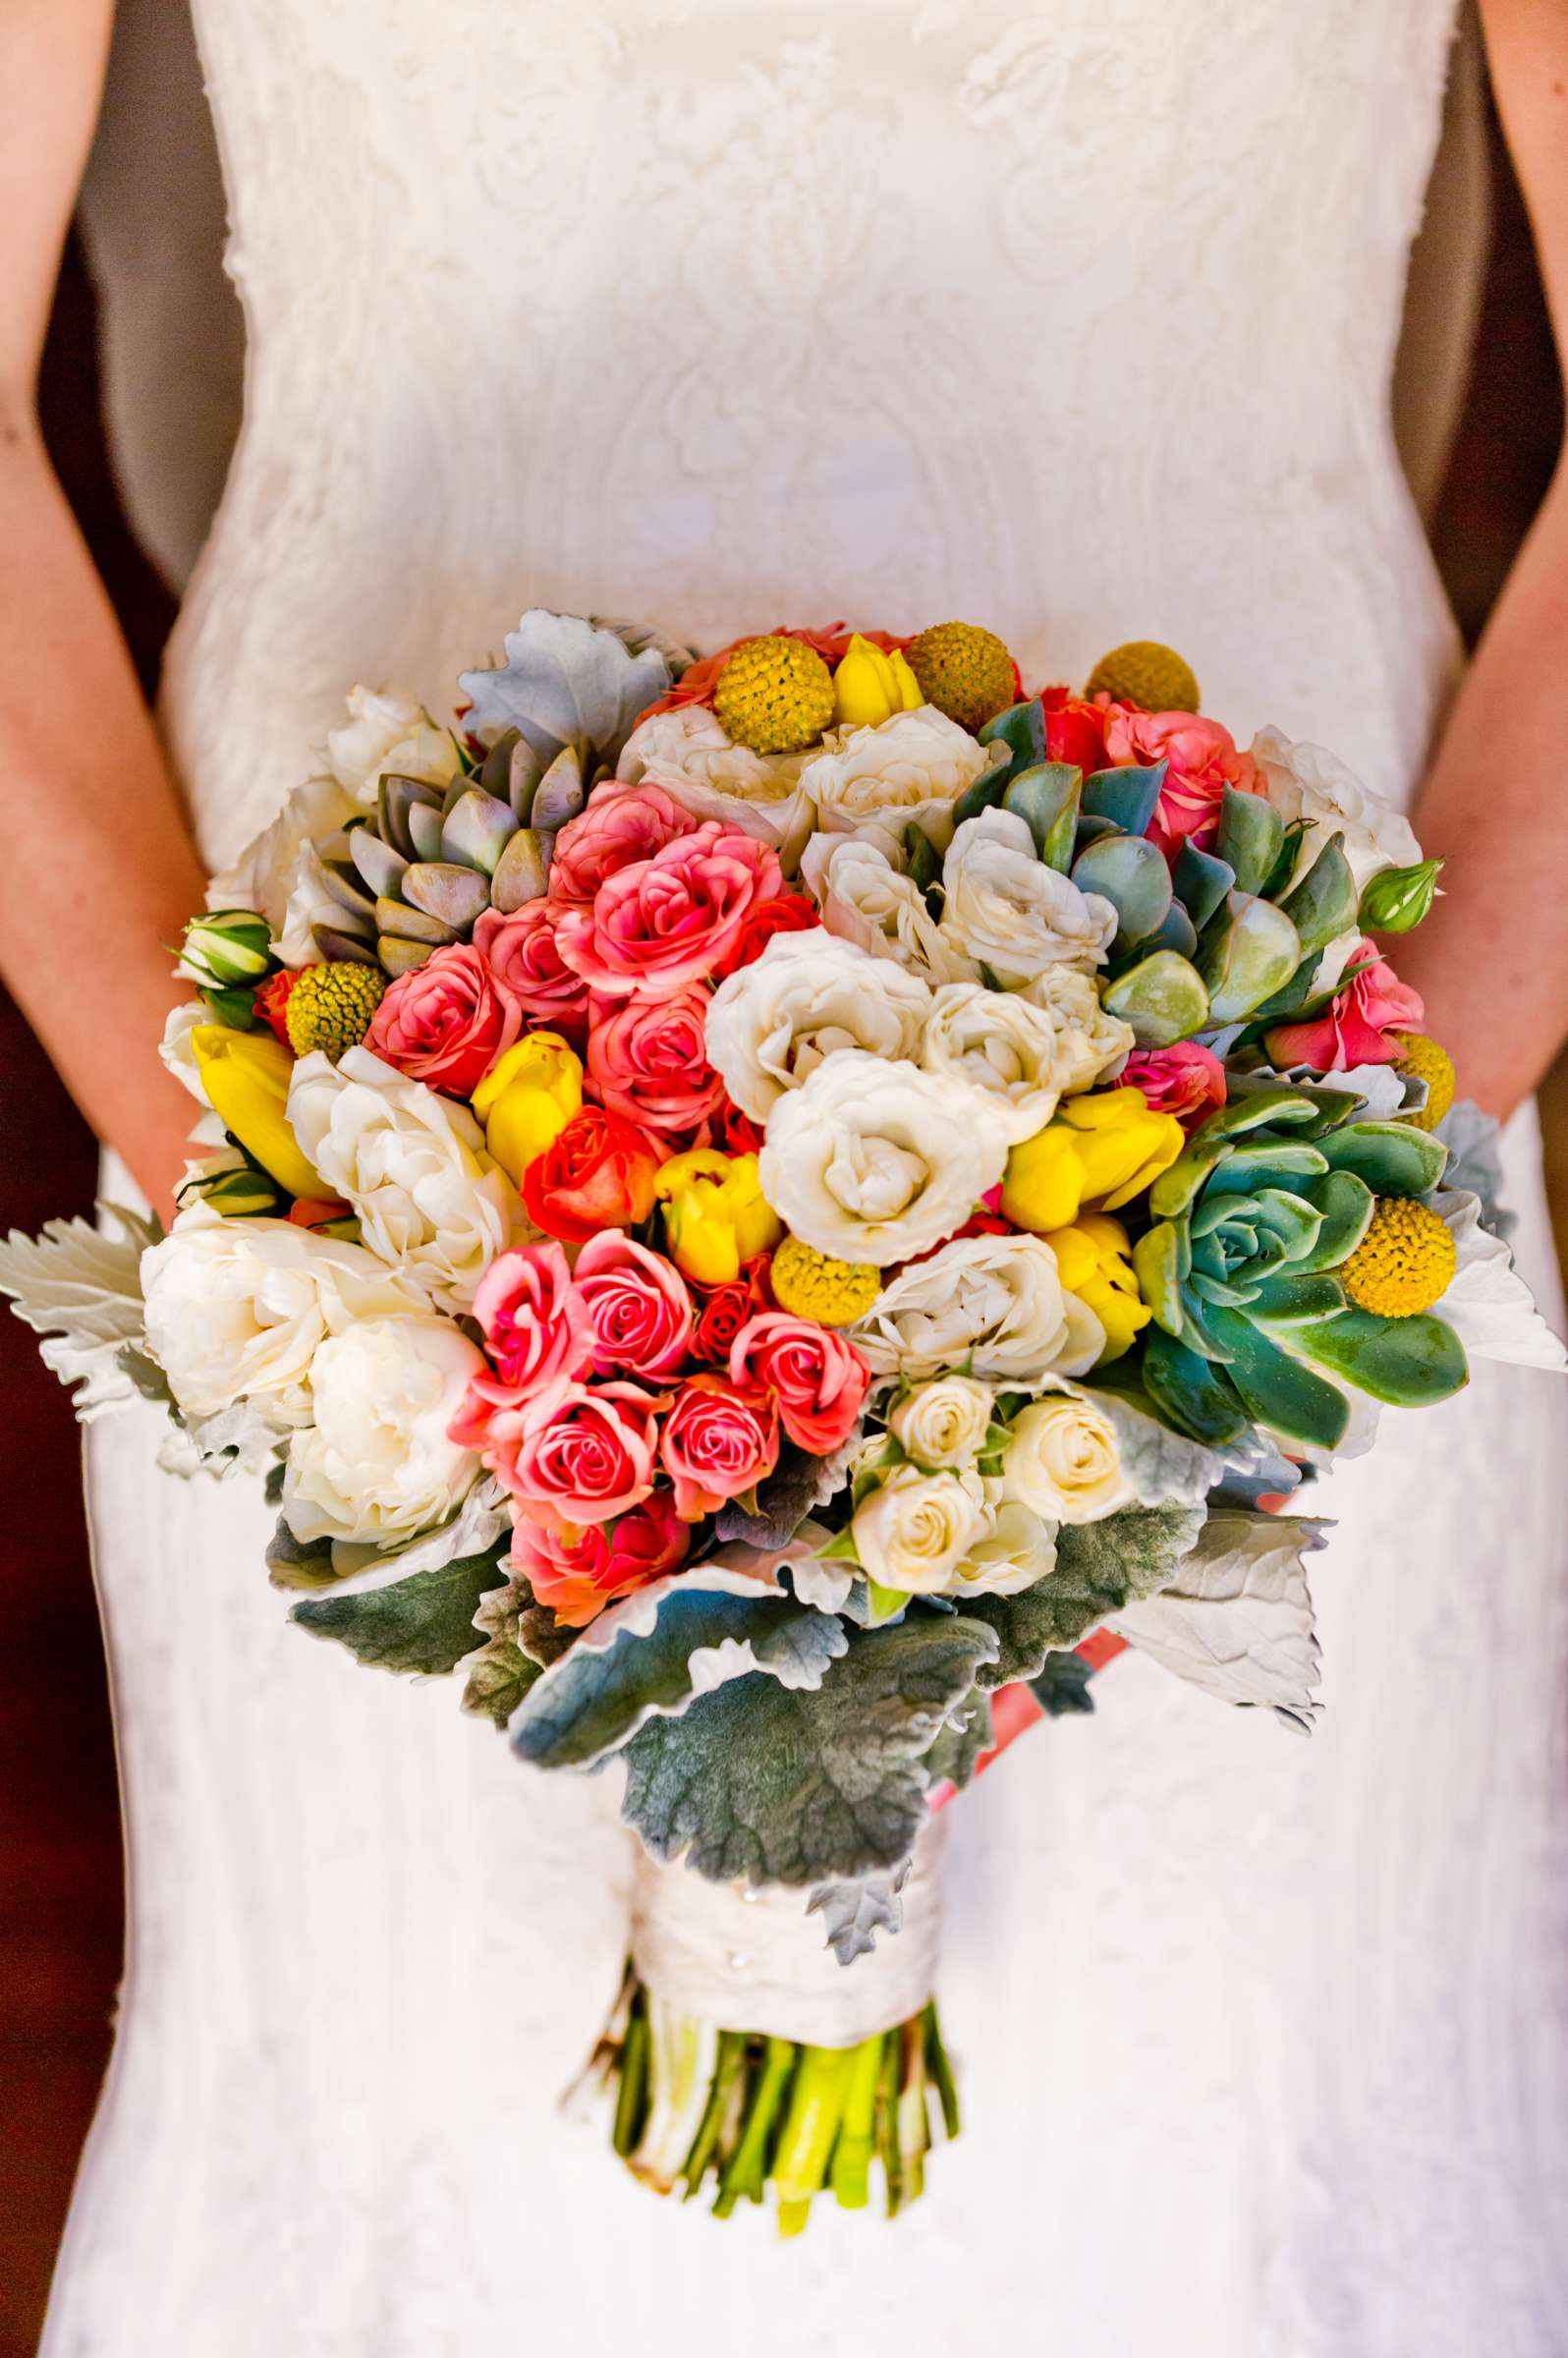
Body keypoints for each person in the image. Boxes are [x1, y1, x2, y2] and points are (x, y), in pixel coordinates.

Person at [5, 3, 1568, 2350]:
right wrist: (315, 1265)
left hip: (1287, 1098)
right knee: (415, 2094)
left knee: (1218, 2113)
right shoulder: (318, 1217)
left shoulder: (1300, 1178)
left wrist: (1280, 1213)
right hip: (356, 1114)